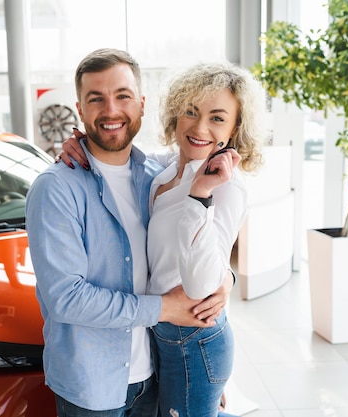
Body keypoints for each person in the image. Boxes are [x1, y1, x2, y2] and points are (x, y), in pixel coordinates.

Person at [25, 48, 233, 417]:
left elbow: (184, 247)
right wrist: (165, 308)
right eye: (96, 99)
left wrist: (226, 280)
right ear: (80, 109)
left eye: (122, 96)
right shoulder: (56, 188)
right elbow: (66, 299)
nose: (110, 110)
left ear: (140, 104)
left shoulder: (157, 177)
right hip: (92, 389)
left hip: (157, 374)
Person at [60, 61, 267, 417]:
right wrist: (78, 142)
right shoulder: (165, 168)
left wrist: (201, 196)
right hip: (161, 335)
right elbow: (114, 154)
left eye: (217, 118)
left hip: (195, 339)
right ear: (175, 113)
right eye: (190, 111)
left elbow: (202, 283)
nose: (200, 127)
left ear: (235, 128)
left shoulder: (226, 186)